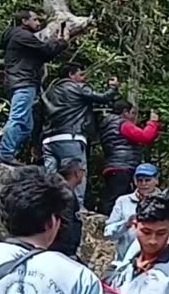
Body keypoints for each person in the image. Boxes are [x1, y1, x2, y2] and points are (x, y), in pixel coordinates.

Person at [39, 63, 119, 206]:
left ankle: (48, 205)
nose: (83, 79)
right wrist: (113, 87)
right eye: (81, 74)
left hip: (49, 139)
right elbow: (103, 97)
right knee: (76, 173)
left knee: (50, 176)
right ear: (71, 75)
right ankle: (76, 207)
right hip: (71, 136)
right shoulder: (76, 88)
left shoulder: (49, 92)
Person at [0, 10, 68, 165]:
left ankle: (1, 149)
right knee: (18, 118)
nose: (38, 23)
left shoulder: (14, 36)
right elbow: (46, 51)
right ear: (24, 21)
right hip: (24, 81)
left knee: (26, 126)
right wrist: (61, 42)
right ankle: (6, 152)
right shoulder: (23, 36)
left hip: (16, 82)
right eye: (35, 20)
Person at [97, 101, 160, 215]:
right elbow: (145, 136)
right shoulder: (123, 124)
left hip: (112, 164)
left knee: (114, 196)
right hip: (124, 165)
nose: (133, 117)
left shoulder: (106, 125)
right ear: (125, 112)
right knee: (117, 198)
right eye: (132, 113)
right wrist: (153, 123)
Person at [104, 163, 161, 259]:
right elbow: (108, 233)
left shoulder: (166, 201)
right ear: (134, 181)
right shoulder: (123, 201)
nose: (143, 184)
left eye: (147, 180)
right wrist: (126, 224)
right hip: (125, 260)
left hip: (157, 259)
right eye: (140, 180)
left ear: (156, 180)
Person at [50, 158, 86, 260]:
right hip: (62, 250)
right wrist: (68, 249)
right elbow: (65, 223)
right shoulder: (66, 194)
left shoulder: (61, 190)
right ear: (76, 173)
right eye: (83, 171)